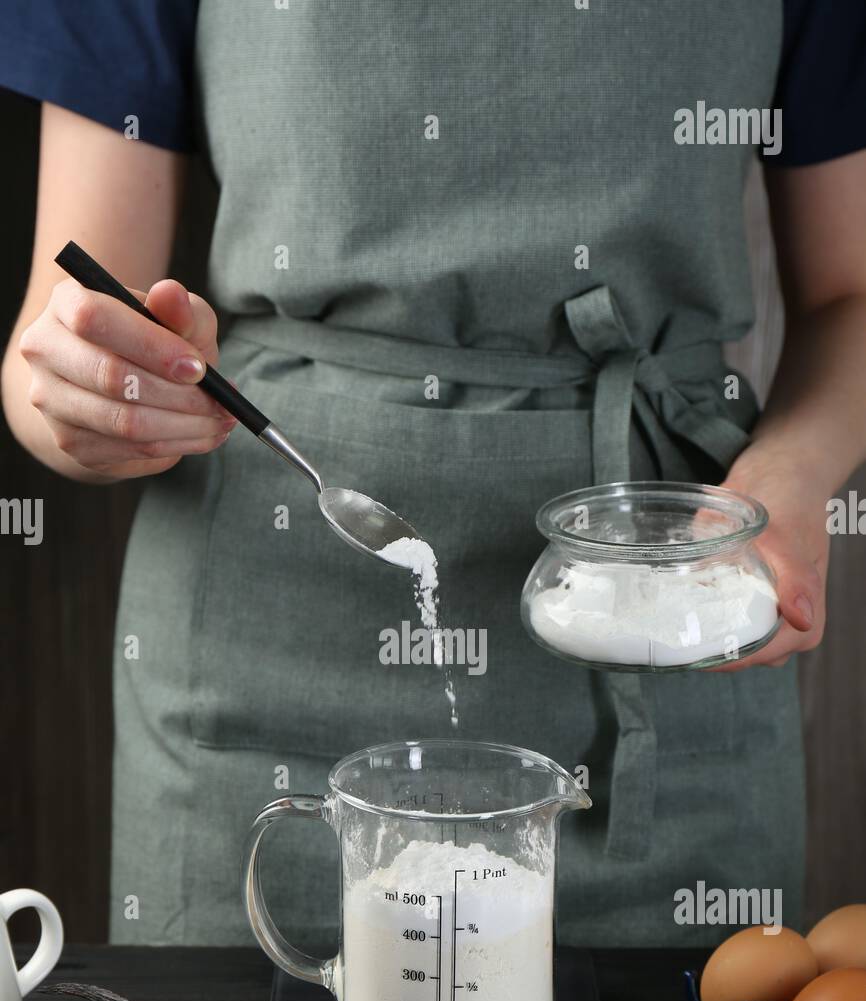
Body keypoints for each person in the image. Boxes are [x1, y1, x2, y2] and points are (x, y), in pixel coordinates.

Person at [2, 1, 866, 949]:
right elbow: (63, 325)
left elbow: (849, 292)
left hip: (663, 627)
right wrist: (90, 397)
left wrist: (791, 473)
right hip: (264, 659)